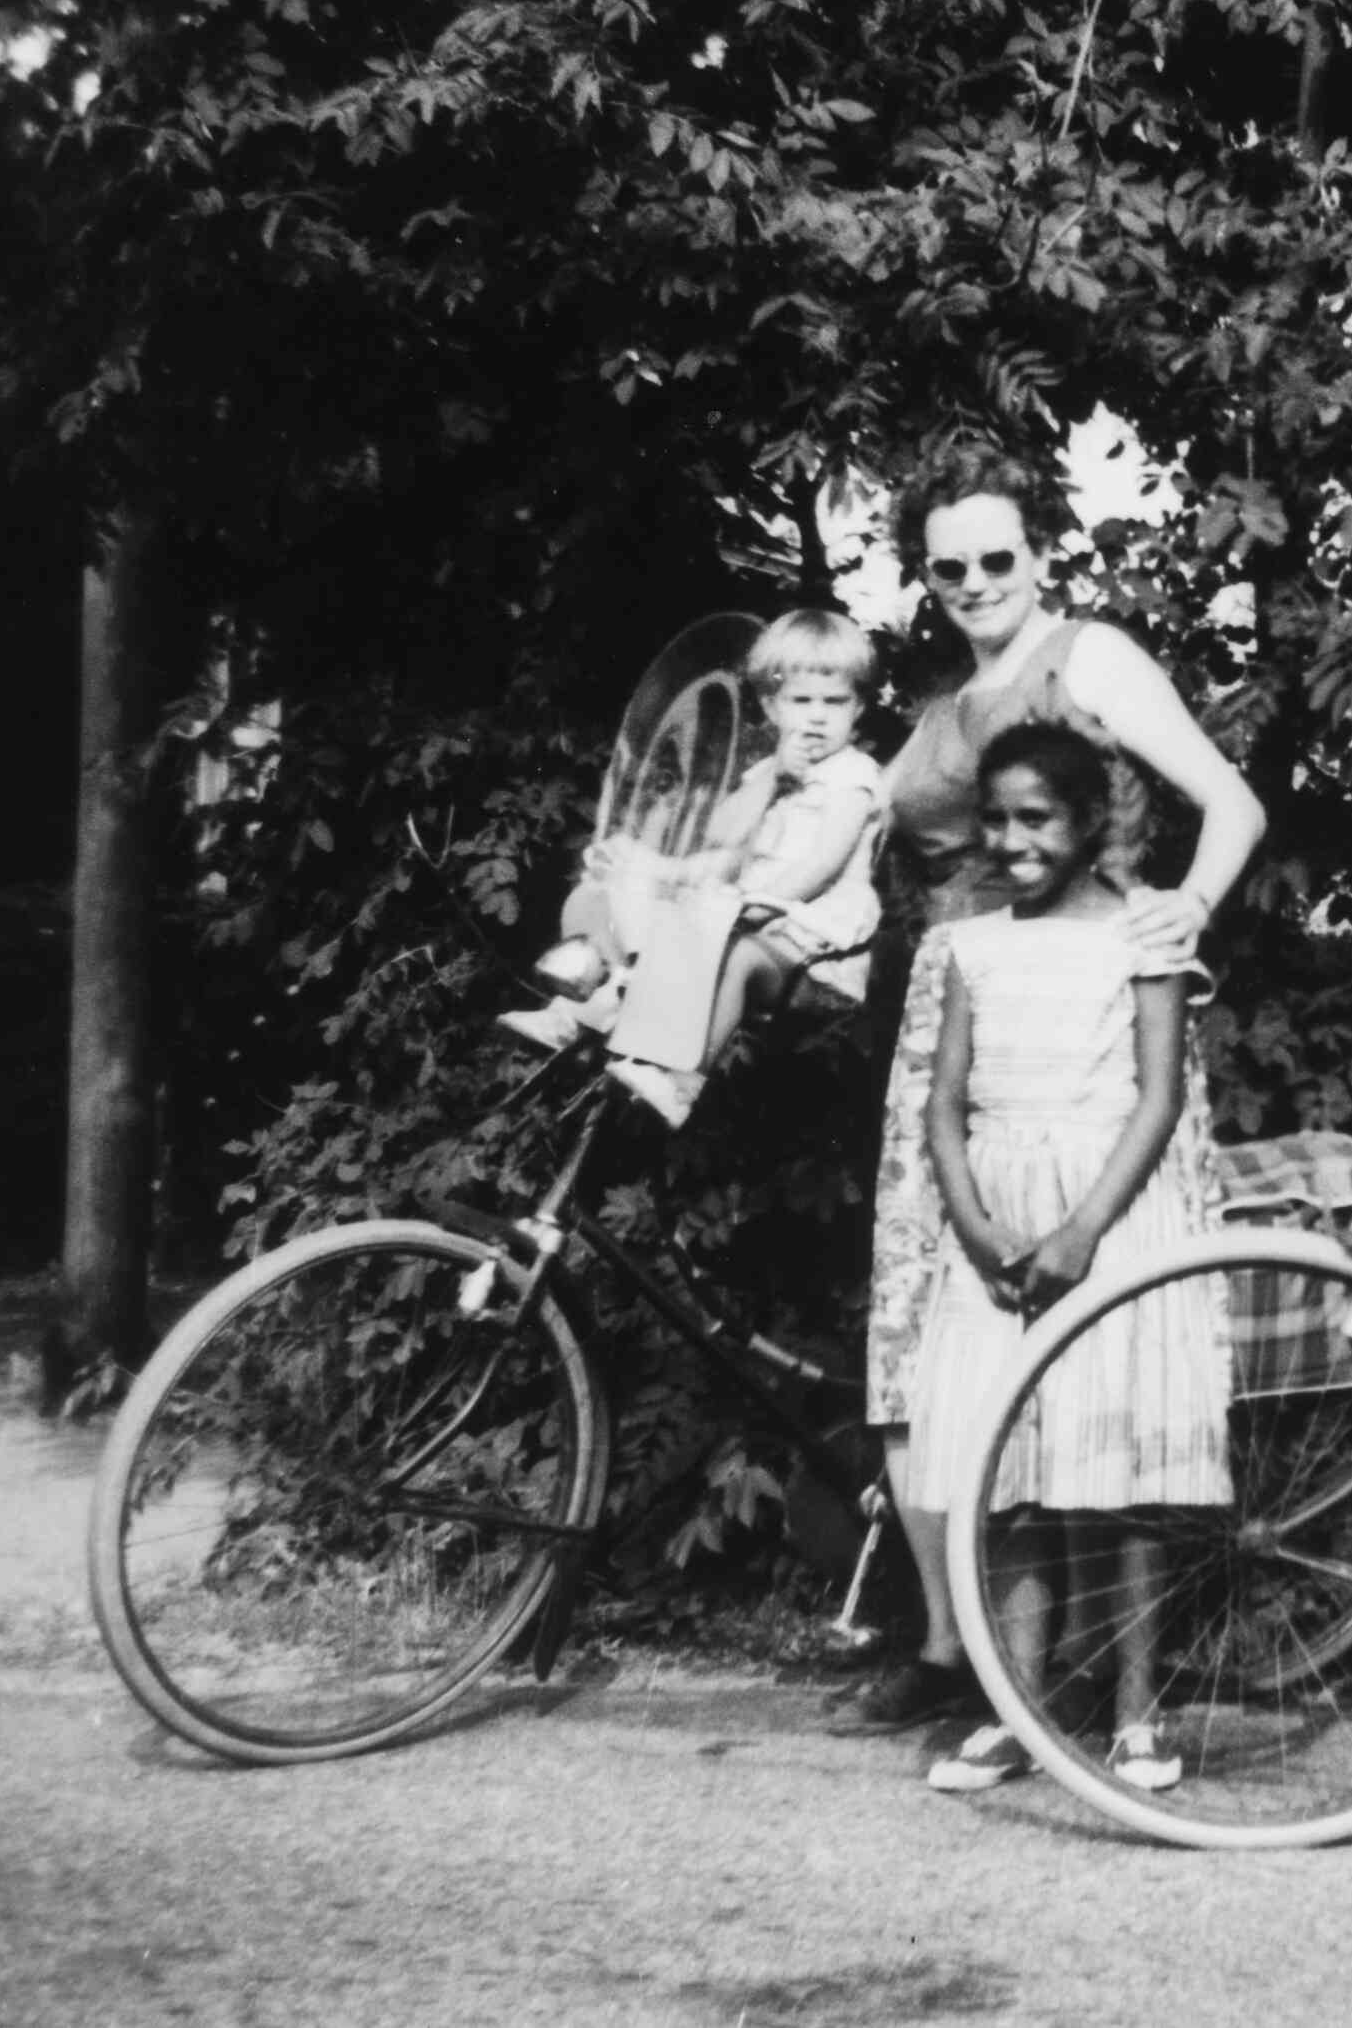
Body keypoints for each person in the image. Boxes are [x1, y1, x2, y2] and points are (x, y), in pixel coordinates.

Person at [837, 443, 1266, 1737]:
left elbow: (1228, 805)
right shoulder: (942, 701)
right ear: (923, 574)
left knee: (1091, 1336)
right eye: (947, 564)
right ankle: (959, 1646)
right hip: (959, 1019)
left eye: (998, 558)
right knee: (935, 1336)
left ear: (1041, 555)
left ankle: (1091, 1672)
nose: (975, 583)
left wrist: (1173, 923)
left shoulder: (1088, 660)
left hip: (1084, 1027)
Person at [903, 723, 1231, 1794]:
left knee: (1116, 1467)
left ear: (1089, 823)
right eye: (996, 819)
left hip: (1107, 1214)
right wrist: (978, 1224)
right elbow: (944, 1108)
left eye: (1035, 817)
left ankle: (1138, 1715)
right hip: (997, 1220)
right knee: (1009, 1482)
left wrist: (1083, 1228)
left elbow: (1160, 1095)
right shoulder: (973, 944)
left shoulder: (1144, 932)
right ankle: (1020, 1709)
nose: (1012, 838)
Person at [502, 608, 885, 1123]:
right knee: (603, 894)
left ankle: (682, 1082)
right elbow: (723, 836)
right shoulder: (768, 772)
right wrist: (770, 783)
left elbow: (819, 867)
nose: (817, 717)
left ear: (858, 707)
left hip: (805, 946)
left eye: (835, 702)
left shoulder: (852, 778)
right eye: (801, 701)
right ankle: (574, 1012)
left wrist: (742, 906)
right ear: (772, 707)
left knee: (733, 953)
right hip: (735, 916)